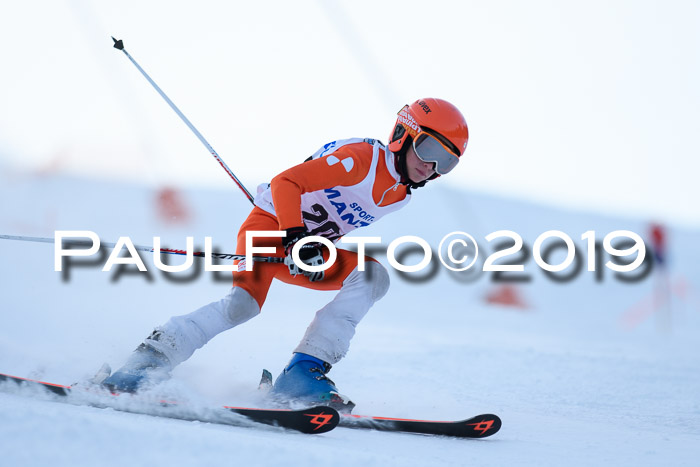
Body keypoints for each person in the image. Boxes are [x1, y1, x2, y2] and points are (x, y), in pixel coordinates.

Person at [102, 98, 469, 412]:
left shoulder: (399, 196)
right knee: (242, 306)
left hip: (307, 250)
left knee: (372, 276)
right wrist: (294, 236)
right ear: (404, 134)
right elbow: (286, 182)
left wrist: (307, 247)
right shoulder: (361, 159)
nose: (432, 167)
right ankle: (150, 357)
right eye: (429, 150)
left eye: (446, 163)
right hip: (269, 231)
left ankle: (301, 374)